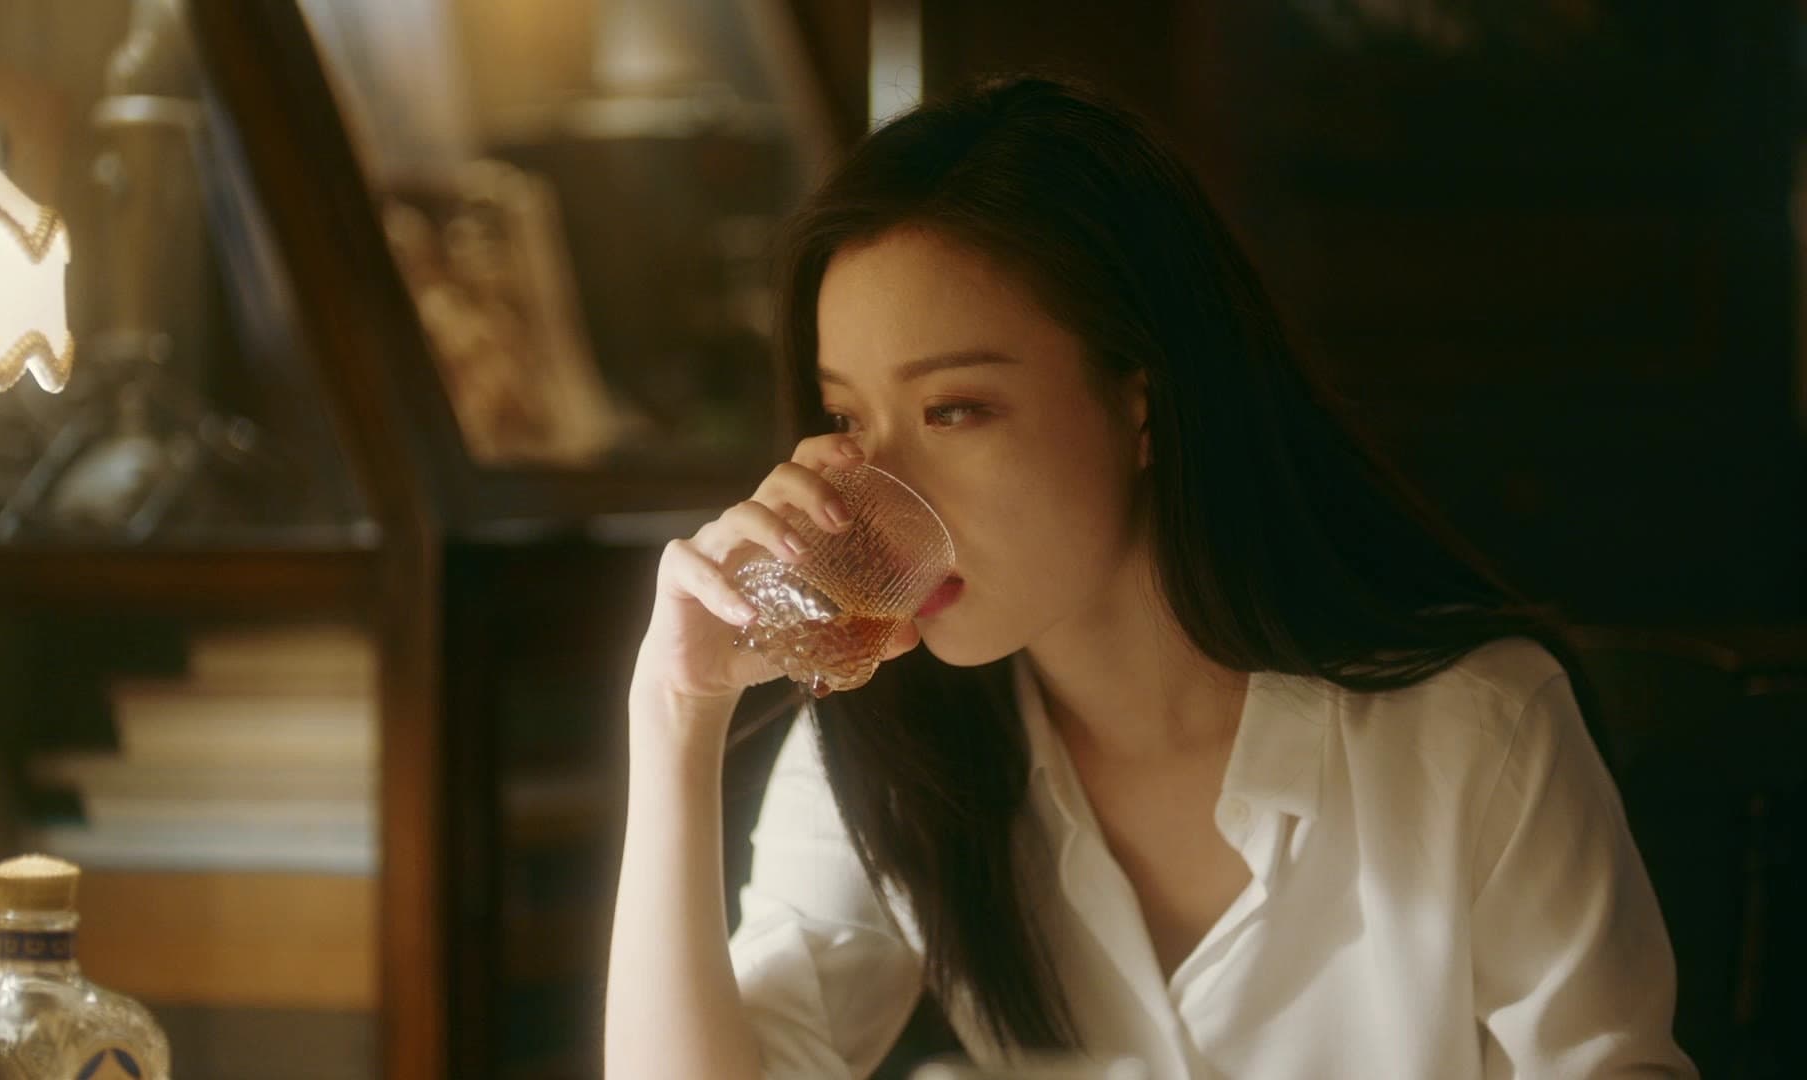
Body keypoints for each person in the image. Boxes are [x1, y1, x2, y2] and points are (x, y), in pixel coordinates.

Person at [604, 74, 1693, 1079]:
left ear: (1141, 401)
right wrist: (674, 714)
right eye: (847, 419)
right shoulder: (889, 747)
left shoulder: (1473, 731)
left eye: (956, 409)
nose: (878, 490)